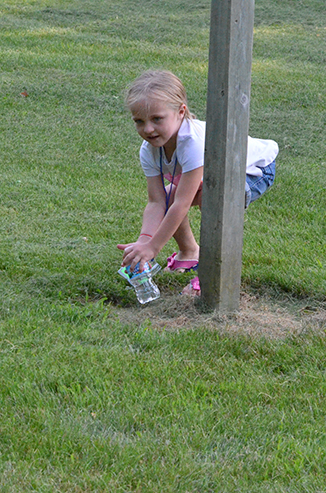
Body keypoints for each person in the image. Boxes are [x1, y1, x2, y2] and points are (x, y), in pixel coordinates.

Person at [117, 70, 279, 295]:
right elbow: (157, 202)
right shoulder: (149, 150)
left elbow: (182, 204)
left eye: (157, 119)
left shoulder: (193, 143)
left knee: (214, 201)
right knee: (169, 194)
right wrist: (144, 243)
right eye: (139, 121)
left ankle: (213, 277)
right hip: (215, 173)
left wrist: (155, 246)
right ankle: (189, 252)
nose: (148, 129)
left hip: (252, 170)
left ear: (181, 112)